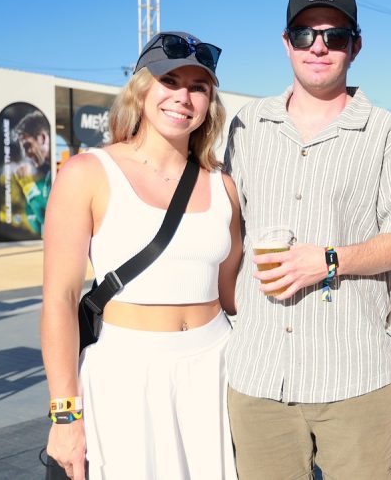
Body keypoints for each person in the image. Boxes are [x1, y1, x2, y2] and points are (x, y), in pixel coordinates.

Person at [224, 0, 391, 480]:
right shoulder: (247, 125)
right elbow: (228, 230)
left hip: (353, 377)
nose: (318, 46)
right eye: (305, 34)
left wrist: (330, 260)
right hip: (259, 377)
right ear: (286, 43)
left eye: (335, 36)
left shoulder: (382, 130)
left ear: (355, 47)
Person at [41, 31, 241, 480]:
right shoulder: (88, 172)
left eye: (198, 87)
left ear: (210, 103)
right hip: (126, 376)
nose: (183, 97)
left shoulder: (223, 187)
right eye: (169, 81)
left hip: (216, 371)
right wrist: (65, 415)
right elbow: (59, 300)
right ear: (141, 89)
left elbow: (232, 297)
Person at [13, 110, 52, 235]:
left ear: (42, 138)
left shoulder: (61, 171)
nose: (26, 154)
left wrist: (28, 186)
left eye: (27, 146)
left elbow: (49, 221)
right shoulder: (50, 174)